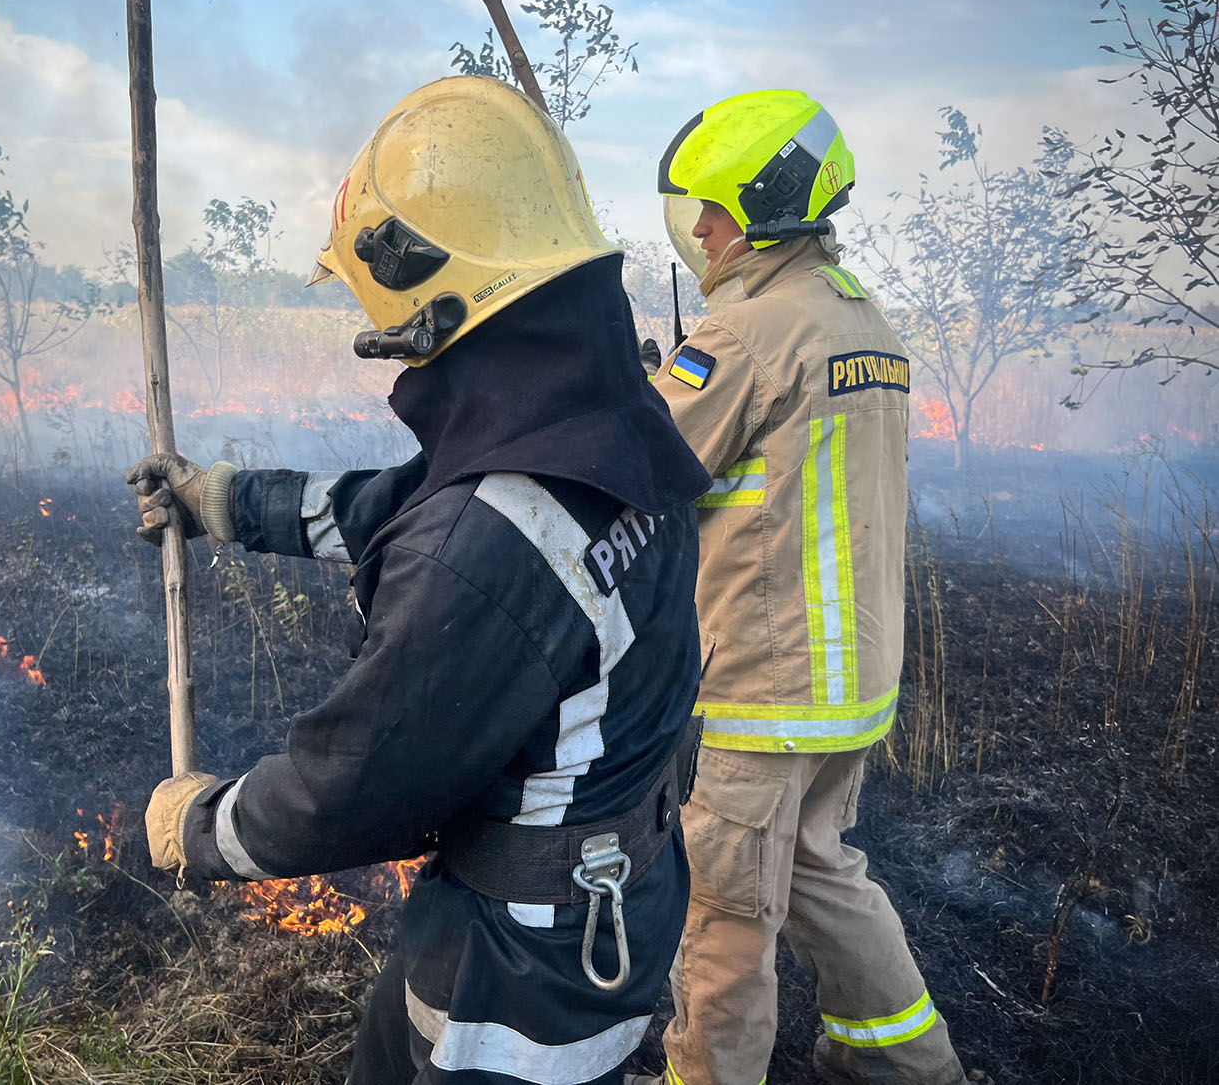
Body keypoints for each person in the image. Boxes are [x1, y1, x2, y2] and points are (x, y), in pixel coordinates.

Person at [129, 76, 713, 1085]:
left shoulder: (493, 542)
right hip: (608, 897)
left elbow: (358, 780)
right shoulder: (607, 427)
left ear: (434, 297)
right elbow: (394, 512)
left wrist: (202, 826)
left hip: (518, 970)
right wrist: (217, 498)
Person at [644, 91, 971, 1085]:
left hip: (757, 694)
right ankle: (909, 1066)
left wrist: (636, 383)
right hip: (848, 691)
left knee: (724, 923)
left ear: (764, 205)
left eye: (711, 207)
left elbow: (644, 467)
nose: (698, 227)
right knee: (823, 873)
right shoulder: (859, 317)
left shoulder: (742, 339)